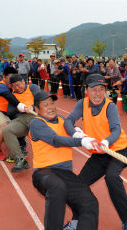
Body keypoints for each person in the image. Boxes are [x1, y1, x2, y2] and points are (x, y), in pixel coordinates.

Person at [64, 74, 127, 230]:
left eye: (101, 90)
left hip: (117, 151)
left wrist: (105, 142)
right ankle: (75, 222)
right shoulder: (82, 104)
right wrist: (77, 135)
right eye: (93, 90)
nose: (97, 93)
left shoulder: (110, 107)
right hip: (99, 154)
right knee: (80, 185)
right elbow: (68, 121)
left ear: (105, 91)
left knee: (111, 178)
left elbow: (116, 129)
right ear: (87, 90)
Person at [29, 90, 99, 230]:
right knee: (57, 187)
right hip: (44, 173)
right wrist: (81, 142)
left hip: (65, 174)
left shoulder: (60, 118)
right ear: (36, 109)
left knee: (90, 202)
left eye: (52, 103)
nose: (51, 107)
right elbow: (56, 140)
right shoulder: (36, 123)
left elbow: (69, 128)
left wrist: (78, 131)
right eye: (45, 105)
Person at [2, 74, 41, 172]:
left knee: (34, 126)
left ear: (24, 81)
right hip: (21, 119)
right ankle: (20, 159)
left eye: (19, 85)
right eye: (14, 86)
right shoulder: (13, 95)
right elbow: (10, 111)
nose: (17, 88)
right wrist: (22, 108)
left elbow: (40, 99)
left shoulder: (32, 87)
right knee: (7, 130)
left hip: (36, 116)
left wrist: (32, 106)